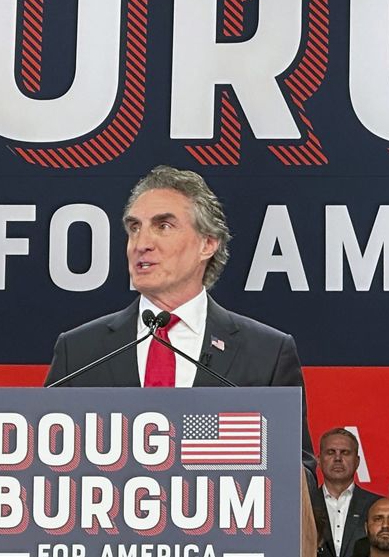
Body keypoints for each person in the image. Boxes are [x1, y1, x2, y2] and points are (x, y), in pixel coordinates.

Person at [43, 165, 315, 472]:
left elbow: (298, 472)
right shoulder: (80, 351)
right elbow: (47, 462)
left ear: (207, 244)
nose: (140, 243)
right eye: (134, 227)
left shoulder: (267, 353)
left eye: (163, 226)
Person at [309, 429, 380, 557]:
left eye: (345, 453)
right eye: (330, 452)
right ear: (318, 459)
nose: (337, 458)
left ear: (357, 461)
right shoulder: (304, 505)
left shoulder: (377, 506)